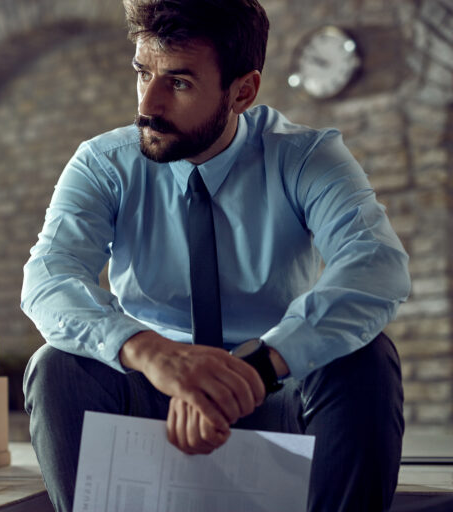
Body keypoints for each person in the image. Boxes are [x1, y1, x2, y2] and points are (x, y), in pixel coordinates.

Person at [21, 0, 410, 510]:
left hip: (272, 387)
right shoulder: (103, 163)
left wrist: (255, 368)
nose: (148, 104)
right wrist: (158, 356)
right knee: (56, 366)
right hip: (154, 389)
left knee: (367, 358)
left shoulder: (305, 158)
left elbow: (375, 267)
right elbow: (49, 281)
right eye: (143, 73)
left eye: (178, 83)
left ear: (243, 91)